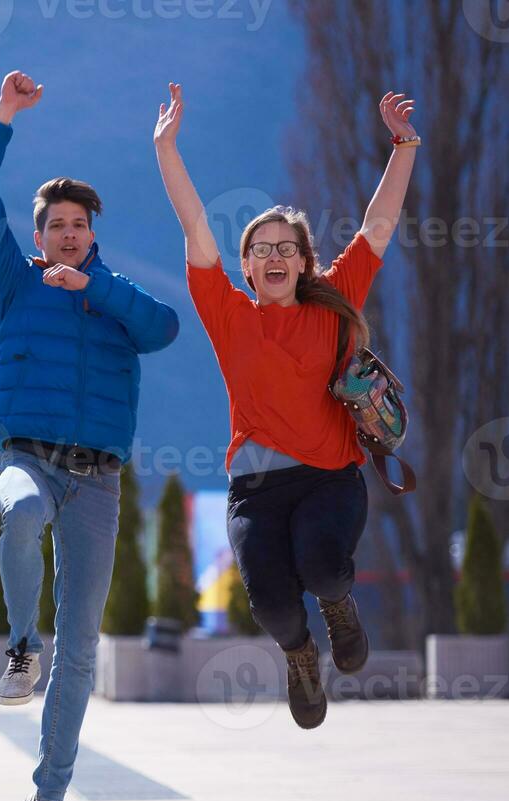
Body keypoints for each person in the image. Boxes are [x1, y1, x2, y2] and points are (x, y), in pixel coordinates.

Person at [0, 70, 179, 801]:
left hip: (96, 483)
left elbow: (165, 330)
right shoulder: (11, 281)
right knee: (15, 516)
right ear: (39, 232)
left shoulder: (116, 296)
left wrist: (98, 290)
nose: (65, 235)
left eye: (77, 225)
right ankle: (20, 648)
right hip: (27, 460)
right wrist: (1, 116)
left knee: (80, 650)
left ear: (92, 233)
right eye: (53, 225)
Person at [154, 83, 418, 729]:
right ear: (243, 266)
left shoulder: (333, 298)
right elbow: (193, 223)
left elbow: (376, 226)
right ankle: (301, 656)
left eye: (285, 248)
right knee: (272, 606)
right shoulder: (226, 313)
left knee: (325, 570)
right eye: (260, 249)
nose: (273, 256)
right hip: (254, 490)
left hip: (329, 480)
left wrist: (404, 146)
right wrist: (165, 148)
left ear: (303, 262)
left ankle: (338, 608)